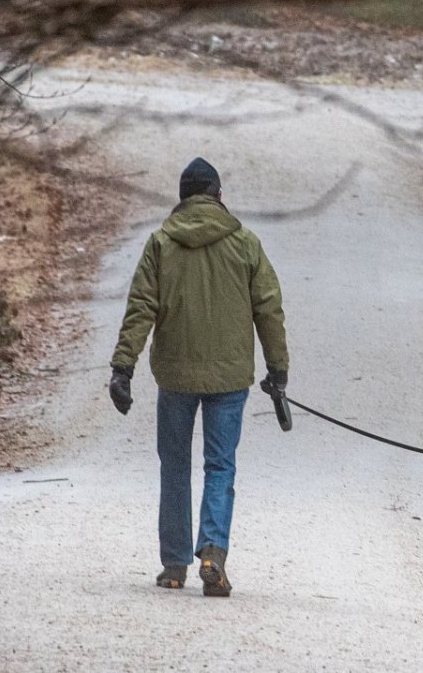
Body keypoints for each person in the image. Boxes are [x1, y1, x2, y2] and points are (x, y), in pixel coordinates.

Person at [109, 157, 289, 597]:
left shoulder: (161, 243)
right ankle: (212, 551)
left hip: (175, 375)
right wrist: (278, 368)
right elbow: (268, 307)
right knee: (220, 464)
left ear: (182, 198)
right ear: (219, 196)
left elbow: (141, 308)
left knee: (174, 465)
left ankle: (173, 565)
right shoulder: (246, 243)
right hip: (229, 378)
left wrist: (123, 367)